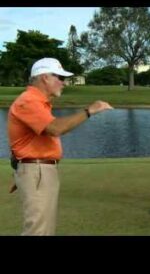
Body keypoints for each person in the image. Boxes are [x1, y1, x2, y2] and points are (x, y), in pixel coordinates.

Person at [8, 57, 113, 235]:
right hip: (37, 170)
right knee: (38, 231)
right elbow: (55, 128)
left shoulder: (38, 102)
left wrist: (21, 169)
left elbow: (23, 139)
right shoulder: (29, 101)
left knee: (44, 230)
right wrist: (90, 110)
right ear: (45, 77)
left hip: (37, 170)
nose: (64, 83)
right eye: (60, 78)